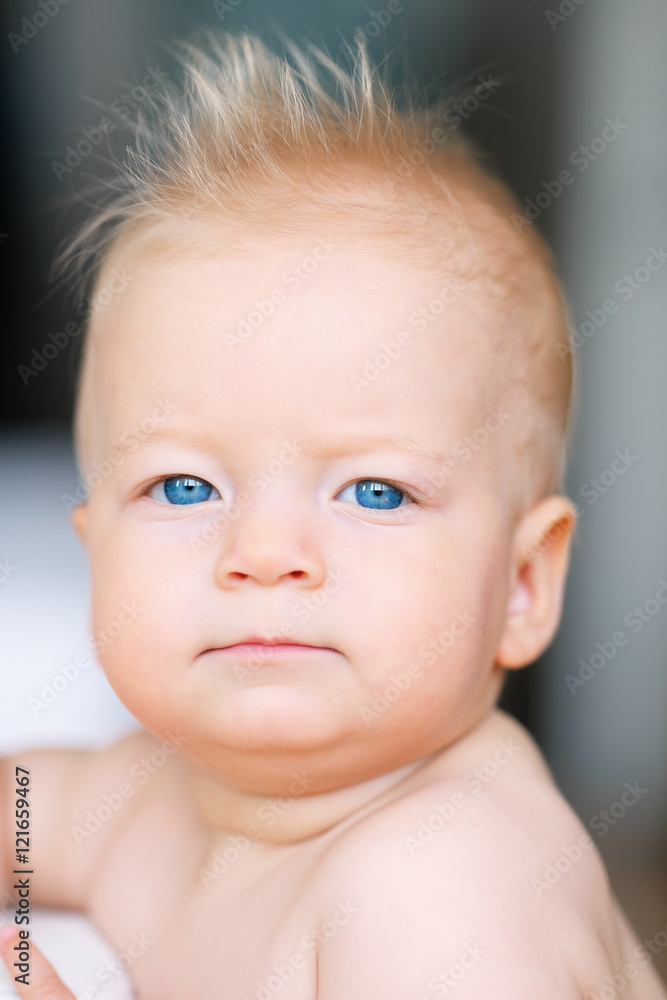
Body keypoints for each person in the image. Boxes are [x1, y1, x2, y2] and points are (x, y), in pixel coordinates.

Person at [1, 28, 665, 1000]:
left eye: (375, 493)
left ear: (522, 585)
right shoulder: (148, 798)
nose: (264, 553)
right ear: (94, 553)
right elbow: (21, 809)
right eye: (184, 487)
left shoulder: (438, 884)